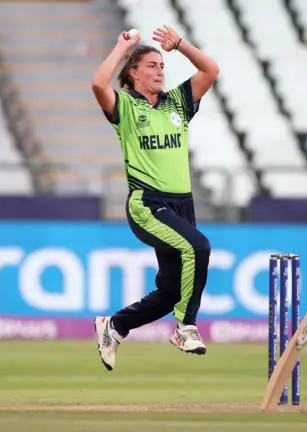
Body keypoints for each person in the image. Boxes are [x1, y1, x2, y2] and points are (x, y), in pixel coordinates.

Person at [90, 25, 220, 371]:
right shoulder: (127, 107)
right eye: (151, 65)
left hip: (182, 205)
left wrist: (180, 45)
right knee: (199, 247)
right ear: (133, 74)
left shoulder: (177, 102)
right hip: (147, 204)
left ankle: (115, 326)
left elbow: (211, 70)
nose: (160, 71)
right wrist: (121, 47)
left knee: (171, 292)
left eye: (162, 65)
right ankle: (186, 327)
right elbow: (98, 84)